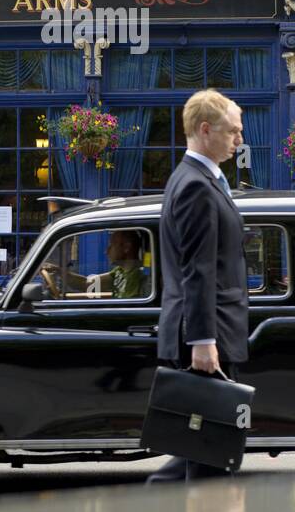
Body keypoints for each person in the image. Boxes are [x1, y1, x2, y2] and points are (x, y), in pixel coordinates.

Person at [147, 89, 250, 484]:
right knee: (210, 454)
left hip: (211, 332)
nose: (239, 140)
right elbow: (198, 268)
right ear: (205, 130)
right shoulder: (195, 186)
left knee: (205, 450)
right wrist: (203, 340)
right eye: (233, 132)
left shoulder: (202, 179)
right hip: (208, 338)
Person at [41, 230, 146, 300]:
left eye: (112, 245)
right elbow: (86, 284)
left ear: (126, 247)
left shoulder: (136, 276)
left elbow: (127, 310)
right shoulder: (120, 271)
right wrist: (60, 271)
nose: (107, 251)